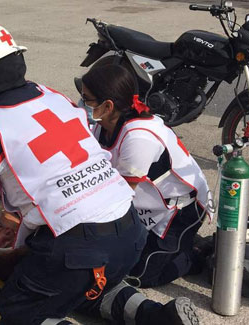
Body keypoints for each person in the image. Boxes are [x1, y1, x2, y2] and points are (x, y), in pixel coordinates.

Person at [0, 22, 199, 325]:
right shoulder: (52, 96)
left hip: (79, 247)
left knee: (18, 308)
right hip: (131, 234)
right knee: (87, 283)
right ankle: (157, 316)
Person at [78, 64, 213, 288]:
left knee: (138, 276)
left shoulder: (139, 138)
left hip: (179, 210)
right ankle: (182, 243)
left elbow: (118, 199)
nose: (81, 104)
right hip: (146, 205)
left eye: (87, 99)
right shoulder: (103, 123)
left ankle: (194, 254)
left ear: (108, 105)